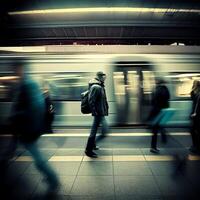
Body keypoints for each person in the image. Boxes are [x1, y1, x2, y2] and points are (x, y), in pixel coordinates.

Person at [9, 61, 59, 191]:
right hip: (28, 126)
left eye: (17, 68)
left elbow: (35, 107)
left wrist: (17, 115)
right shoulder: (27, 83)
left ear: (22, 69)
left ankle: (53, 178)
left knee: (37, 156)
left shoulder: (27, 84)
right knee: (35, 153)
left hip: (29, 127)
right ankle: (51, 177)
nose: (15, 72)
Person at [85, 71, 109, 157]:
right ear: (100, 77)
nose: (105, 78)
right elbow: (91, 101)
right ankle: (88, 150)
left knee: (99, 131)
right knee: (102, 131)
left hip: (100, 113)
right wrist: (95, 112)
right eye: (104, 77)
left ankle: (93, 145)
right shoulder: (96, 87)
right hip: (98, 113)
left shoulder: (100, 86)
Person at [148, 78, 170, 153]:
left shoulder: (155, 90)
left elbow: (152, 101)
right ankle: (162, 139)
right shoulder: (164, 90)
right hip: (161, 111)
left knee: (155, 130)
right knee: (159, 127)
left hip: (155, 111)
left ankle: (153, 147)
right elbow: (167, 98)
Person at [190, 80, 200, 153]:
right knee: (193, 131)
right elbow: (192, 97)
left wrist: (195, 113)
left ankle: (196, 146)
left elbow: (198, 105)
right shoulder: (196, 93)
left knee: (194, 131)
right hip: (195, 114)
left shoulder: (199, 94)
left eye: (194, 84)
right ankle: (195, 146)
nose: (193, 85)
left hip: (197, 115)